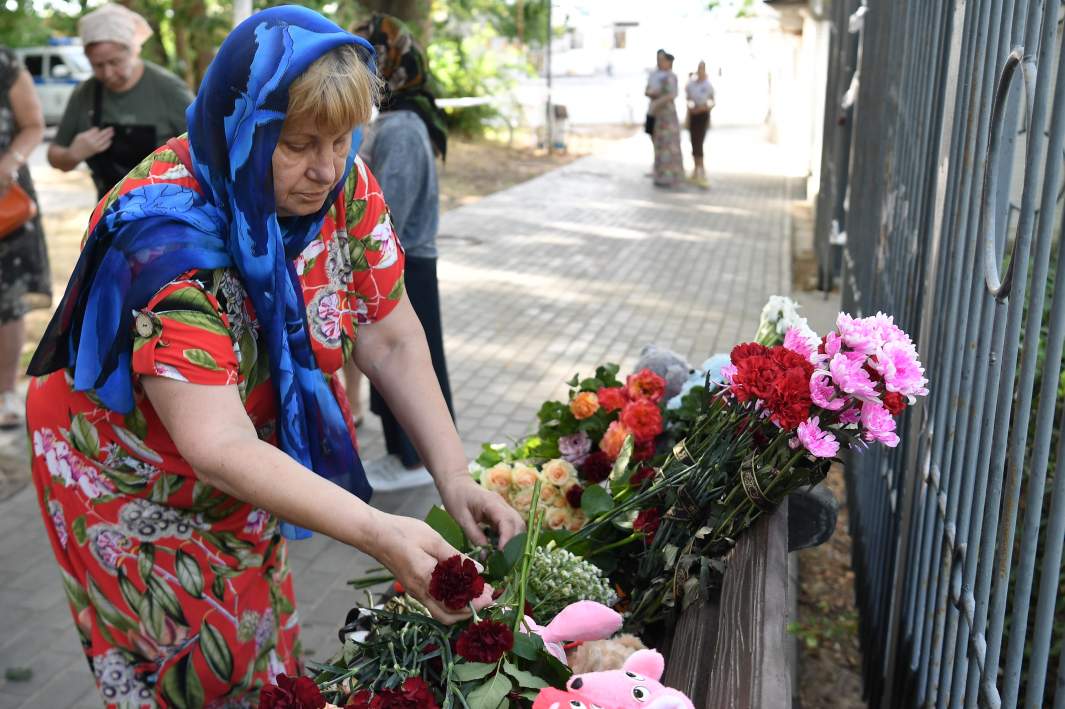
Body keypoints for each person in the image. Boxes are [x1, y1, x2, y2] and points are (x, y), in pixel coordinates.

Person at [26, 7, 523, 705]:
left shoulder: (343, 182)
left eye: (343, 137)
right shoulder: (164, 236)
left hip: (238, 457)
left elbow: (390, 334)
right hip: (124, 471)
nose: (326, 168)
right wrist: (378, 530)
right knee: (188, 666)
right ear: (244, 126)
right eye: (297, 144)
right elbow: (216, 442)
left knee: (258, 644)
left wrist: (453, 475)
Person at [343, 13, 454, 490]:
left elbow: (393, 208)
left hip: (403, 262)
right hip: (392, 261)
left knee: (408, 358)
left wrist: (367, 258)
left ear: (388, 64)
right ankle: (402, 454)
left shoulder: (405, 124)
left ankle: (413, 462)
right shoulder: (392, 119)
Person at [46, 4, 194, 199]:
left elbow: (208, 148)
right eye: (97, 65)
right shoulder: (85, 93)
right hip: (109, 211)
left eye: (114, 62)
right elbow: (55, 155)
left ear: (133, 51)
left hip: (167, 208)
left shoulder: (169, 90)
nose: (107, 73)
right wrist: (73, 154)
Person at [0, 47, 50, 428]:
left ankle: (5, 394)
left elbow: (33, 124)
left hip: (4, 196)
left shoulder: (5, 61)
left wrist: (10, 163)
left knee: (8, 299)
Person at [646, 50, 683, 188]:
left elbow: (672, 94)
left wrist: (658, 101)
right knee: (658, 143)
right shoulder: (654, 75)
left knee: (669, 145)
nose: (660, 62)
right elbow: (647, 90)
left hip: (667, 116)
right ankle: (659, 174)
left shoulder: (671, 76)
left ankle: (671, 176)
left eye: (663, 60)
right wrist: (652, 96)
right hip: (656, 116)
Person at [685, 61, 715, 185]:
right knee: (693, 141)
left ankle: (701, 170)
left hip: (703, 114)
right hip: (693, 114)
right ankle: (696, 168)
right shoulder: (692, 84)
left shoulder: (708, 85)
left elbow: (712, 101)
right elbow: (688, 98)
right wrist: (692, 108)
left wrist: (704, 108)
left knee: (699, 141)